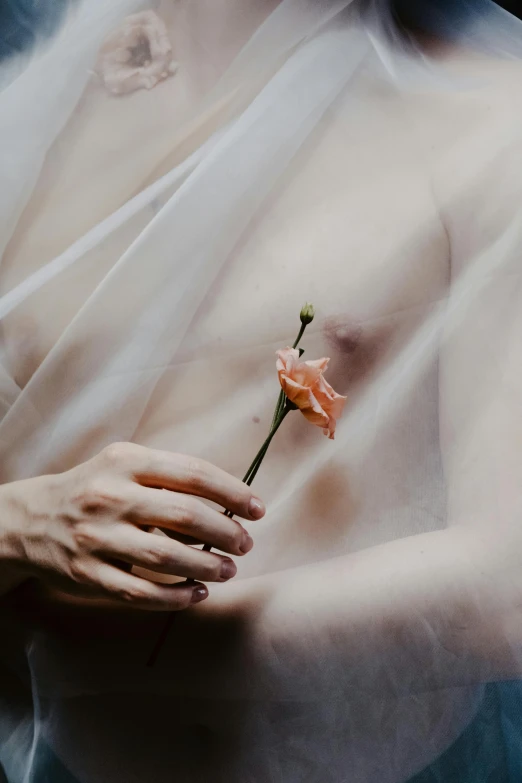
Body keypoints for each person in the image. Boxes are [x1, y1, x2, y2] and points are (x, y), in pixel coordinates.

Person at [1, 0, 522, 780]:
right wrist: (19, 525)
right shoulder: (48, 97)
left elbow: (508, 586)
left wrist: (57, 630)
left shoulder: (491, 121)